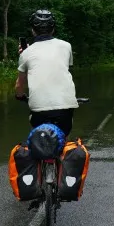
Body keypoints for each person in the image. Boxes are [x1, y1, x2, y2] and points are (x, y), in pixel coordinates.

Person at [15, 9, 79, 138]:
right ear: (53, 29)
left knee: (38, 139)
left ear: (33, 30)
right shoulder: (66, 46)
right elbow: (62, 69)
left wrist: (20, 96)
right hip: (65, 108)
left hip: (39, 112)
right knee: (63, 138)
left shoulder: (26, 53)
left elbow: (19, 85)